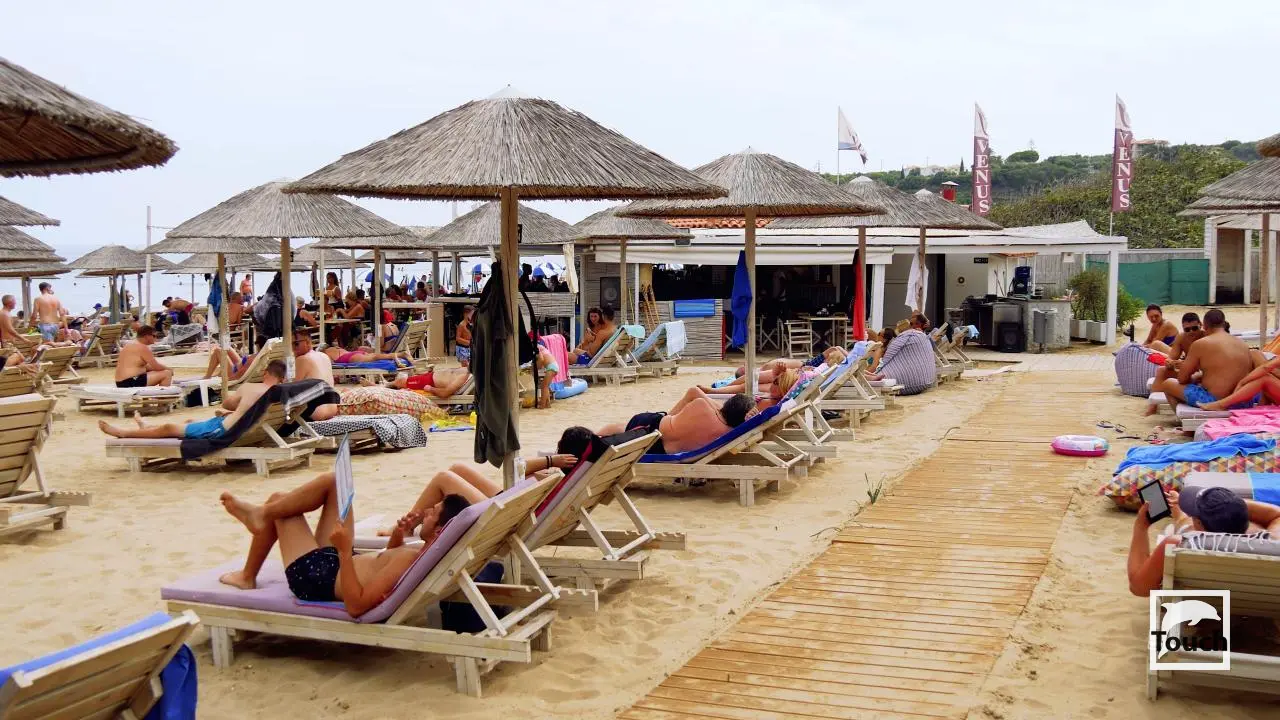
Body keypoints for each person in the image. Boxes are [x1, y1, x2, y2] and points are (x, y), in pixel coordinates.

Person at [216, 469, 469, 616]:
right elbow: (384, 566)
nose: (426, 512)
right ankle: (261, 516)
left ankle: (248, 573)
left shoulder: (411, 559)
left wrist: (345, 552)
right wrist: (398, 536)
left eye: (433, 513)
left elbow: (356, 606)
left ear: (440, 530)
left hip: (317, 577)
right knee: (334, 482)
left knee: (278, 500)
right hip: (334, 562)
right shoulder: (425, 553)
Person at [1127, 485, 1280, 596]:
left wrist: (1141, 527)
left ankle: (1180, 515)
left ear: (1199, 524)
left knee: (1184, 525)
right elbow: (1276, 514)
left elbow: (1139, 588)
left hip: (1201, 599)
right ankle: (1180, 513)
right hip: (1255, 597)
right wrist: (1231, 506)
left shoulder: (1179, 544)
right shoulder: (1272, 542)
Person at [100, 360, 285, 442]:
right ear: (282, 379)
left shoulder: (251, 387)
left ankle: (124, 433)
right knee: (189, 421)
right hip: (229, 425)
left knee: (169, 428)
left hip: (221, 430)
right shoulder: (282, 394)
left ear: (265, 373)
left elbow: (226, 403)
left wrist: (234, 408)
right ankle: (146, 427)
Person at [597, 391, 756, 455]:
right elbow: (748, 427)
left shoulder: (703, 405)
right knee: (621, 431)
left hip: (651, 428)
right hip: (661, 450)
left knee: (620, 428)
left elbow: (693, 391)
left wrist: (669, 415)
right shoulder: (728, 434)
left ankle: (595, 437)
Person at [1158, 309, 1255, 411]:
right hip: (1244, 402)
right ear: (1223, 324)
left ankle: (1181, 418)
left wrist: (1195, 376)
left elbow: (1182, 379)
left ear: (1204, 326)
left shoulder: (1200, 344)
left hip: (1215, 401)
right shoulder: (1242, 344)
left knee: (1168, 384)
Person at [1146, 313, 1204, 415]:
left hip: (1204, 374)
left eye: (1195, 328)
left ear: (1201, 325)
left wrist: (1187, 365)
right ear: (1183, 328)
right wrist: (1169, 362)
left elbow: (1210, 364)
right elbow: (1172, 356)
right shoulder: (1181, 337)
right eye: (1187, 329)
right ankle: (1153, 407)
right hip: (1189, 372)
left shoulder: (1206, 338)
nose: (1191, 332)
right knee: (1162, 370)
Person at [866, 313, 935, 395]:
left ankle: (870, 377)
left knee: (863, 373)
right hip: (921, 377)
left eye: (879, 334)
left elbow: (878, 365)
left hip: (880, 372)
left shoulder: (880, 349)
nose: (910, 326)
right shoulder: (917, 338)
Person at [0, 294, 39, 363]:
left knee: (21, 361)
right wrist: (25, 340)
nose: (15, 303)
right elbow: (11, 331)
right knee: (22, 360)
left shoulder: (4, 313)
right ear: (10, 302)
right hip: (6, 343)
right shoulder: (5, 314)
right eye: (14, 301)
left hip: (7, 343)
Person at [385, 367, 471, 398]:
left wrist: (431, 389)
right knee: (402, 380)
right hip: (430, 376)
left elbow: (445, 393)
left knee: (401, 381)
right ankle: (387, 385)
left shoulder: (463, 377)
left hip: (429, 382)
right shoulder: (467, 369)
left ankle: (383, 386)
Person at [321, 345, 409, 365]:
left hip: (349, 358)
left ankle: (398, 355)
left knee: (375, 357)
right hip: (354, 353)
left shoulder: (325, 354)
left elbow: (330, 364)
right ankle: (399, 354)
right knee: (375, 356)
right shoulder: (335, 347)